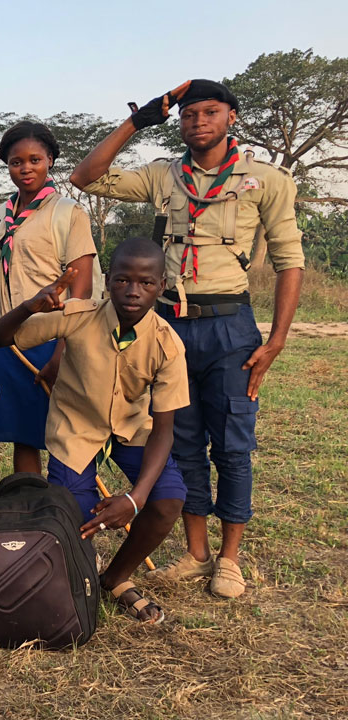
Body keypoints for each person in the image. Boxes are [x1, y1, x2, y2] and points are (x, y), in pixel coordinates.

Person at [70, 79, 305, 598]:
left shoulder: (264, 180)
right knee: (182, 442)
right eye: (189, 114)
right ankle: (197, 555)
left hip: (229, 325)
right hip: (170, 325)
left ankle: (230, 558)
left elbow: (290, 261)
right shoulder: (162, 175)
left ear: (232, 118)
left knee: (234, 445)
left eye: (210, 112)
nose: (198, 121)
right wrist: (139, 121)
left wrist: (278, 338)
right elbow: (85, 177)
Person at [0, 238, 190, 623]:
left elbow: (164, 429)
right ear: (107, 280)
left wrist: (134, 499)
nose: (133, 291)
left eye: (146, 283)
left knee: (167, 500)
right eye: (123, 280)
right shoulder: (77, 315)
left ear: (162, 286)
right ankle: (81, 577)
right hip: (75, 427)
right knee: (76, 516)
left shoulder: (167, 344)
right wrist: (31, 306)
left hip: (132, 429)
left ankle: (115, 577)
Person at [0, 122, 98, 475]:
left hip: (53, 341)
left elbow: (81, 290)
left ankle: (66, 512)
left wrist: (65, 352)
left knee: (65, 433)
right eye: (16, 162)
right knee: (24, 434)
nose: (25, 168)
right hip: (9, 339)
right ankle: (32, 513)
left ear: (50, 159)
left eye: (35, 159)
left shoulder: (68, 211)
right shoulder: (1, 213)